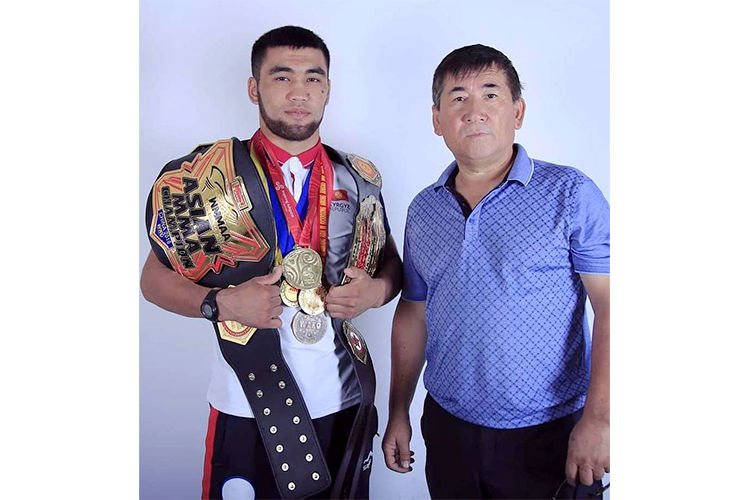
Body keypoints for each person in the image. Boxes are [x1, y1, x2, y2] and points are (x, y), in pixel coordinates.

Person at [141, 26, 401, 500]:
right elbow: (153, 280)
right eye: (282, 77)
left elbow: (391, 266)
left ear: (328, 89)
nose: (299, 92)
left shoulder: (357, 177)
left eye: (313, 78)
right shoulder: (213, 177)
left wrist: (376, 292)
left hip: (344, 400)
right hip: (247, 401)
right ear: (253, 87)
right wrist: (221, 304)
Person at [382, 44, 609, 499]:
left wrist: (600, 418)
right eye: (458, 98)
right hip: (449, 430)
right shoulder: (424, 209)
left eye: (490, 94)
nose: (475, 111)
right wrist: (398, 411)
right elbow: (413, 311)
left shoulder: (569, 193)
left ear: (517, 111)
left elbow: (613, 306)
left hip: (550, 433)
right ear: (437, 120)